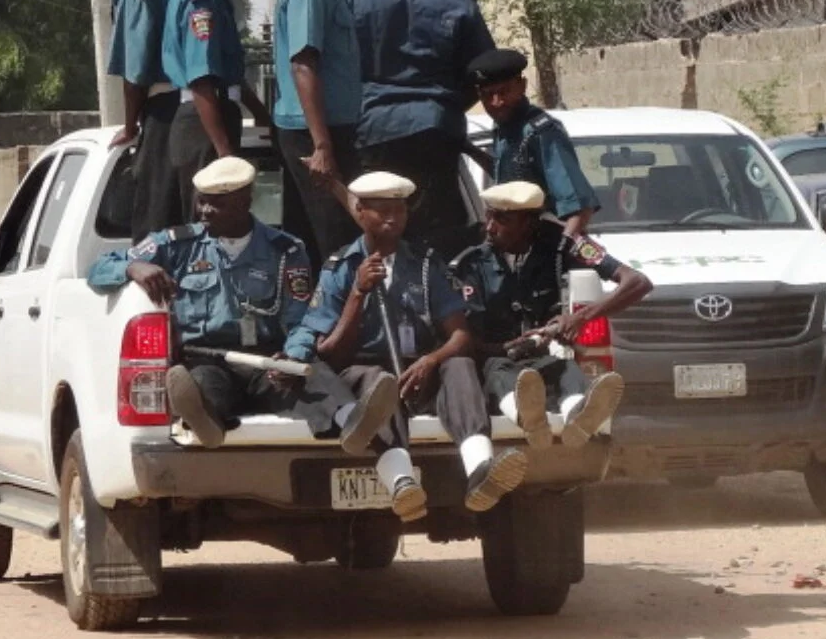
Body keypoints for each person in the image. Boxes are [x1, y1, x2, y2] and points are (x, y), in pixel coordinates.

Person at [87, 156, 399, 453]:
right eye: (202, 200)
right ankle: (204, 421)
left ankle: (352, 423)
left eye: (216, 203)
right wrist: (133, 268)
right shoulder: (176, 245)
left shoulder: (286, 250)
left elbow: (302, 319)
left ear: (245, 201)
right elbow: (98, 269)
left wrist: (293, 355)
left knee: (311, 376)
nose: (204, 211)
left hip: (267, 359)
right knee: (201, 385)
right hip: (208, 357)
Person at [293, 171, 528, 520]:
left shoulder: (424, 264)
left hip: (417, 370)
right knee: (378, 382)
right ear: (359, 211)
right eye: (381, 209)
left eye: (399, 210)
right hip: (364, 372)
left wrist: (431, 361)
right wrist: (358, 294)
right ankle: (402, 483)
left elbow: (460, 335)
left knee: (459, 363)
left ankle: (480, 469)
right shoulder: (339, 268)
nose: (392, 218)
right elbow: (329, 353)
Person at [344, 0, 496, 262]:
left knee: (375, 231)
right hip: (434, 132)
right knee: (436, 238)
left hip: (372, 130)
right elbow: (485, 71)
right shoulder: (459, 2)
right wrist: (443, 106)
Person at [450, 181, 652, 448]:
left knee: (567, 371)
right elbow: (463, 339)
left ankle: (578, 418)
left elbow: (638, 282)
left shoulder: (561, 244)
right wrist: (509, 348)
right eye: (489, 216)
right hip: (495, 360)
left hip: (543, 357)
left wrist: (580, 317)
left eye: (502, 219)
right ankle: (531, 420)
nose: (489, 227)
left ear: (529, 223)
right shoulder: (471, 263)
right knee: (501, 374)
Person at [162, 0, 272, 224]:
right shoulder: (201, 0)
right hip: (203, 123)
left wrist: (261, 113)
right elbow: (202, 80)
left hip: (213, 115)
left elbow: (229, 73)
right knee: (210, 223)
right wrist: (224, 151)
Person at [273, 0, 365, 263]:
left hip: (329, 131)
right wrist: (322, 147)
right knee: (337, 243)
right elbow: (303, 65)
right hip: (314, 134)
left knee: (321, 242)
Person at [87, 0, 183, 243]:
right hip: (196, 104)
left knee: (153, 225)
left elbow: (136, 73)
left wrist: (130, 127)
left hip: (165, 110)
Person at [467, 48, 599, 239]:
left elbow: (579, 208)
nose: (496, 102)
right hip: (513, 244)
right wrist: (468, 149)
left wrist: (559, 251)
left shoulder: (541, 132)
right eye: (488, 95)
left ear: (522, 86)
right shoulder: (503, 127)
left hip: (543, 244)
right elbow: (510, 176)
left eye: (503, 92)